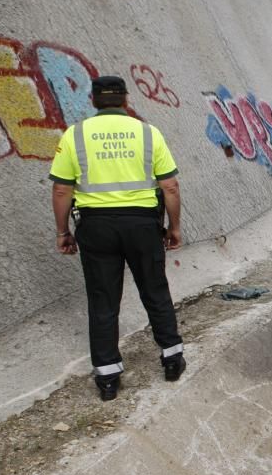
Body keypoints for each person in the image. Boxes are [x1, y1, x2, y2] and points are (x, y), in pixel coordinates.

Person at [49, 76, 186, 400]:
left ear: (94, 100)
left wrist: (63, 232)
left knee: (103, 301)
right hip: (142, 226)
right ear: (125, 99)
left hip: (95, 228)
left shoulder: (75, 135)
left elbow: (61, 189)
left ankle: (108, 378)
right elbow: (170, 187)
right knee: (155, 291)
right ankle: (172, 359)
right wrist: (174, 227)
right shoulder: (148, 133)